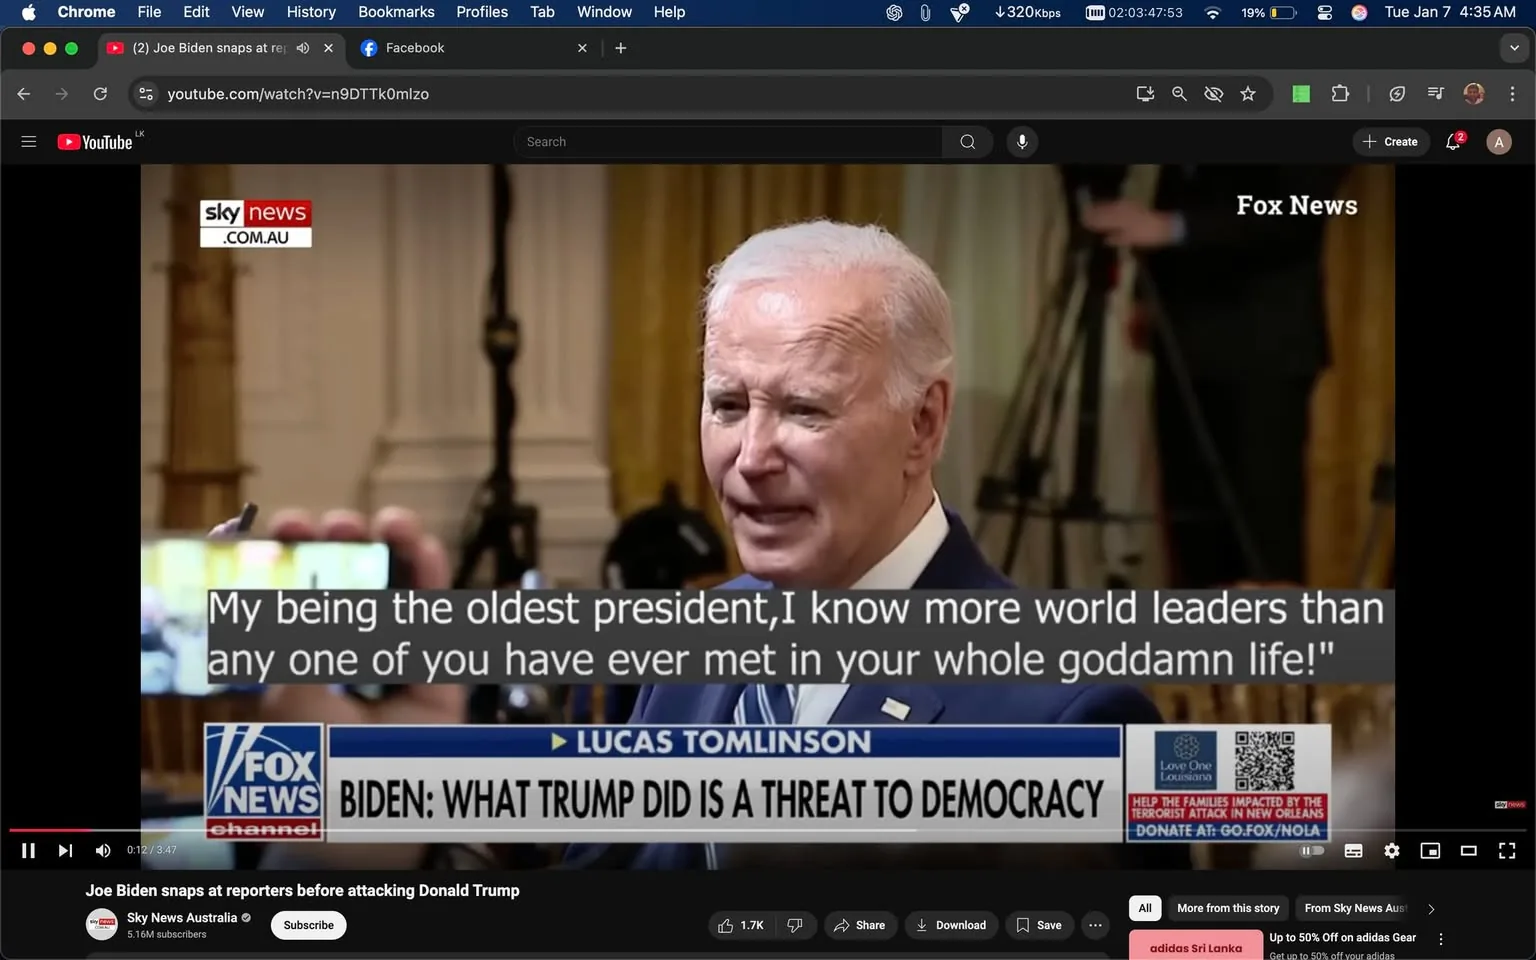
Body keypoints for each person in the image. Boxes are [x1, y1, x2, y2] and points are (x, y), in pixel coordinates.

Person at [249, 220, 1169, 871]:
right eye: (727, 405)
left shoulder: (1067, 720)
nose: (750, 457)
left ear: (923, 424)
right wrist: (408, 833)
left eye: (804, 409)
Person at [1080, 166, 1348, 587]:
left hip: (1263, 347)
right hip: (1181, 338)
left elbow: (1300, 209)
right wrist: (1146, 296)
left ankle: (1276, 651)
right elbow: (1179, 184)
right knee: (1192, 533)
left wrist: (1172, 228)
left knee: (1260, 536)